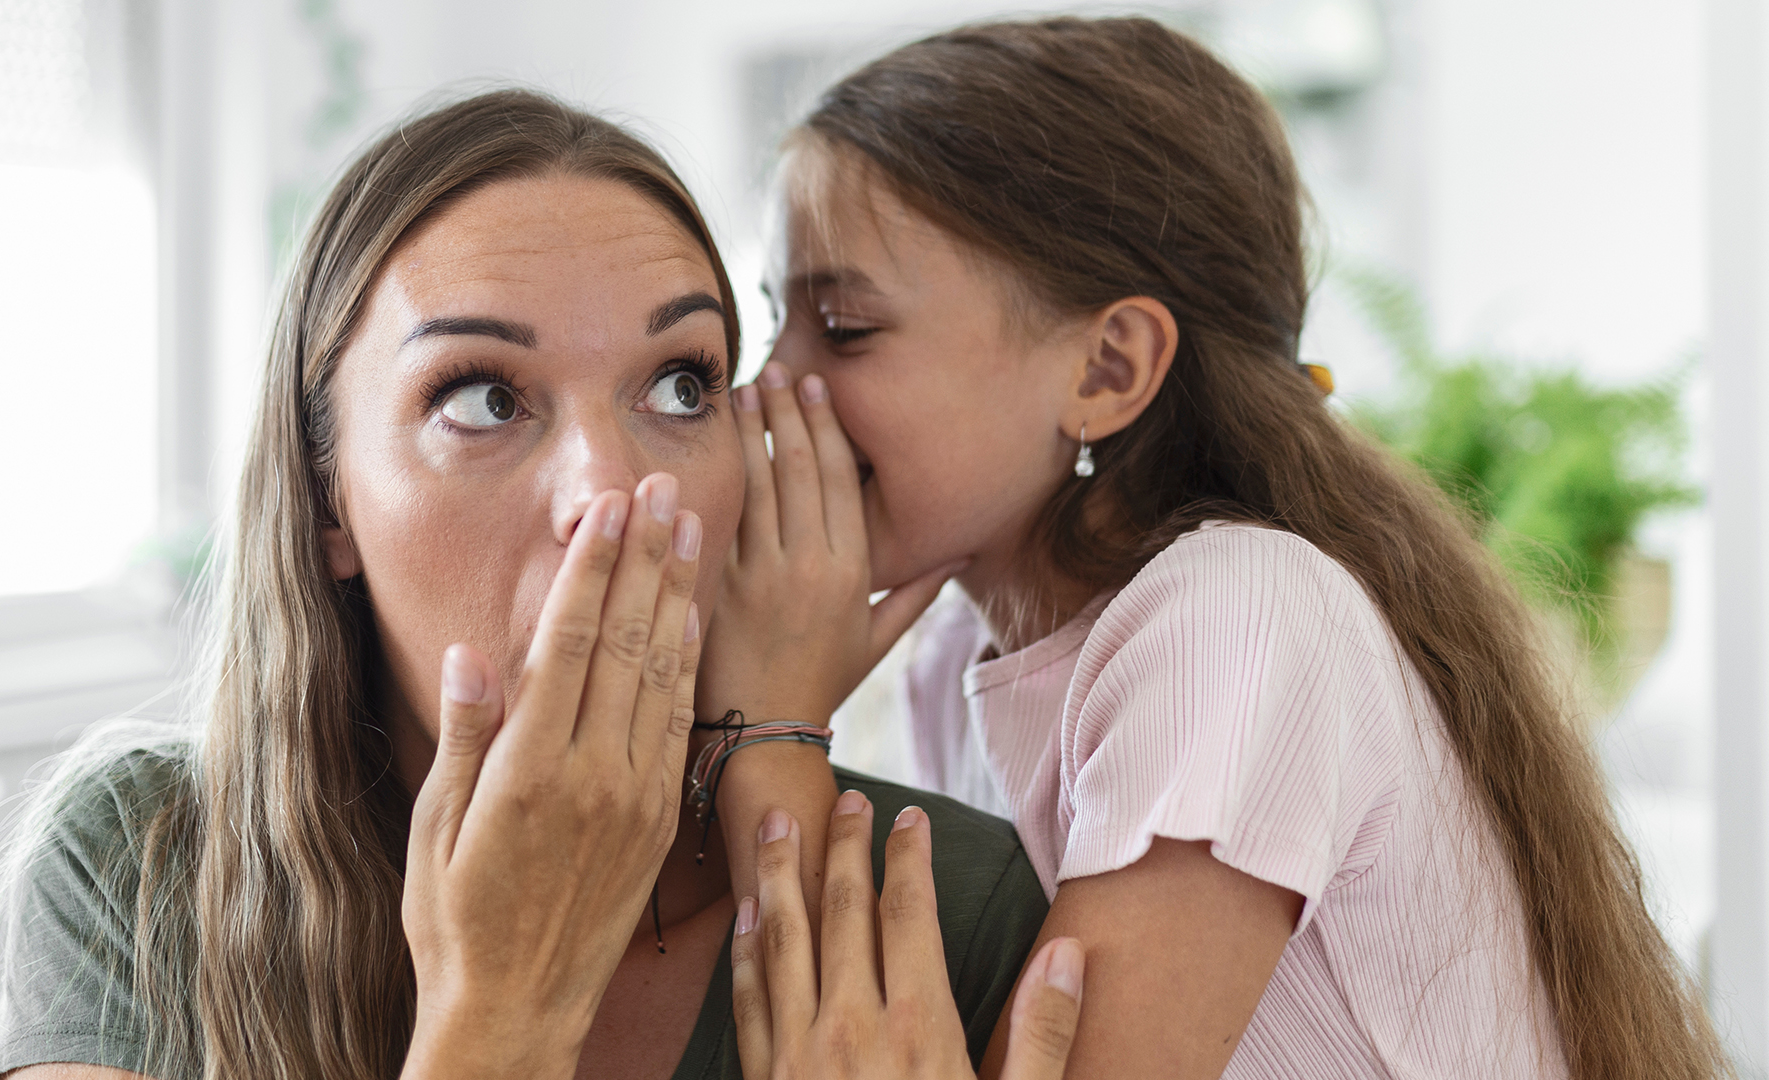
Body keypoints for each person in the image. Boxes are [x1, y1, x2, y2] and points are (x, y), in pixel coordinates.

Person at [0, 89, 1074, 1080]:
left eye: (682, 387)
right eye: (485, 398)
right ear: (326, 502)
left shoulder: (935, 908)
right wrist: (499, 1021)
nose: (608, 493)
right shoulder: (147, 861)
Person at [718, 15, 1729, 1080]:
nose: (763, 392)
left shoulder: (1237, 619)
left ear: (1109, 367)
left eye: (844, 328)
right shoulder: (945, 664)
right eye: (778, 317)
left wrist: (769, 725)